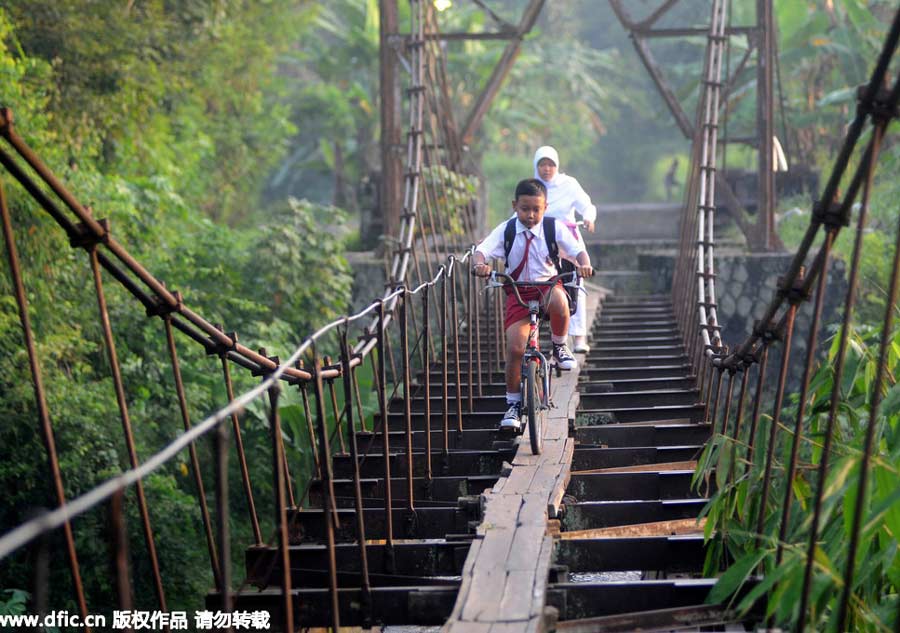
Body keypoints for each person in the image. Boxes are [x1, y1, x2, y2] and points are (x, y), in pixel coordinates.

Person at [472, 178, 594, 431]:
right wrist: (479, 264)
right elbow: (482, 250)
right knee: (516, 348)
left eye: (536, 209)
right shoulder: (506, 230)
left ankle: (560, 348)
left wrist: (584, 263)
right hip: (517, 291)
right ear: (515, 206)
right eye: (525, 209)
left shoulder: (553, 228)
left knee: (561, 301)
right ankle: (513, 405)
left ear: (545, 207)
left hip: (547, 286)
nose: (530, 215)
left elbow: (577, 249)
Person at [532, 146, 597, 353]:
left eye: (551, 164)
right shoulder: (533, 188)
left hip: (567, 242)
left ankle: (579, 338)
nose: (547, 169)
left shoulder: (569, 184)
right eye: (542, 164)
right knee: (538, 283)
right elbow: (520, 215)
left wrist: (588, 217)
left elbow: (587, 205)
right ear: (536, 166)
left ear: (557, 166)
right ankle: (536, 333)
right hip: (541, 243)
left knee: (576, 283)